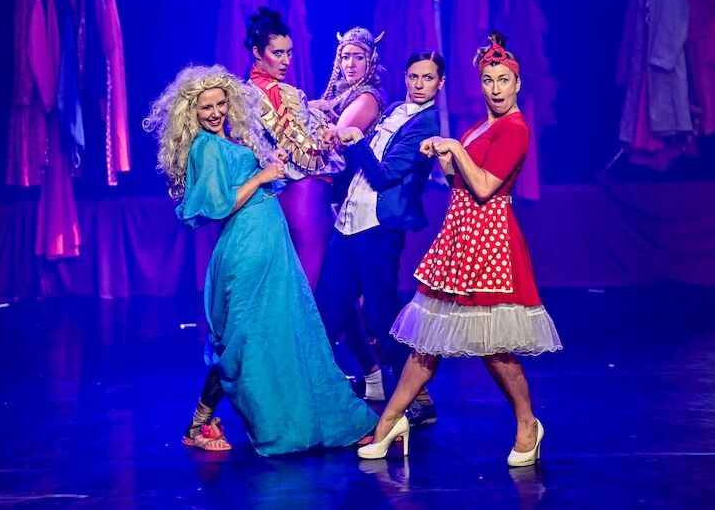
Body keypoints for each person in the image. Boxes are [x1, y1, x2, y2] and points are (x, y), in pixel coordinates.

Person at [144, 65, 377, 456]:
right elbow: (218, 206)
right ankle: (200, 423)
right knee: (243, 339)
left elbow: (252, 186)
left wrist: (271, 166)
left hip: (268, 243)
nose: (215, 113)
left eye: (220, 104)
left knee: (276, 334)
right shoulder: (206, 146)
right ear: (192, 111)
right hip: (247, 248)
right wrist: (260, 176)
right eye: (206, 108)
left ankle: (288, 419)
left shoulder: (227, 141)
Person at [357, 32, 562, 467]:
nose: (495, 89)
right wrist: (444, 158)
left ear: (517, 83)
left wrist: (452, 147)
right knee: (427, 341)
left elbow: (485, 187)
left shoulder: (515, 129)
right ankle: (390, 421)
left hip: (489, 241)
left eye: (503, 80)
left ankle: (528, 424)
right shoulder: (480, 127)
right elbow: (462, 181)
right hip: (459, 237)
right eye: (488, 80)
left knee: (494, 348)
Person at [316, 50, 444, 419]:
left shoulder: (426, 124)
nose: (419, 84)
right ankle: (316, 392)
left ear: (440, 83)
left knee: (381, 315)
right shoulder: (395, 110)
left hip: (378, 229)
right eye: (413, 76)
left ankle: (419, 399)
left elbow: (384, 175)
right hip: (349, 221)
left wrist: (355, 138)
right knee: (328, 308)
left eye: (428, 78)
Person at [244, 6, 339, 290]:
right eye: (277, 53)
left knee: (292, 279)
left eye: (289, 52)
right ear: (258, 53)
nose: (286, 61)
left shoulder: (250, 95)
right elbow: (306, 154)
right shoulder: (279, 94)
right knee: (305, 283)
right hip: (302, 194)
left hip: (278, 197)